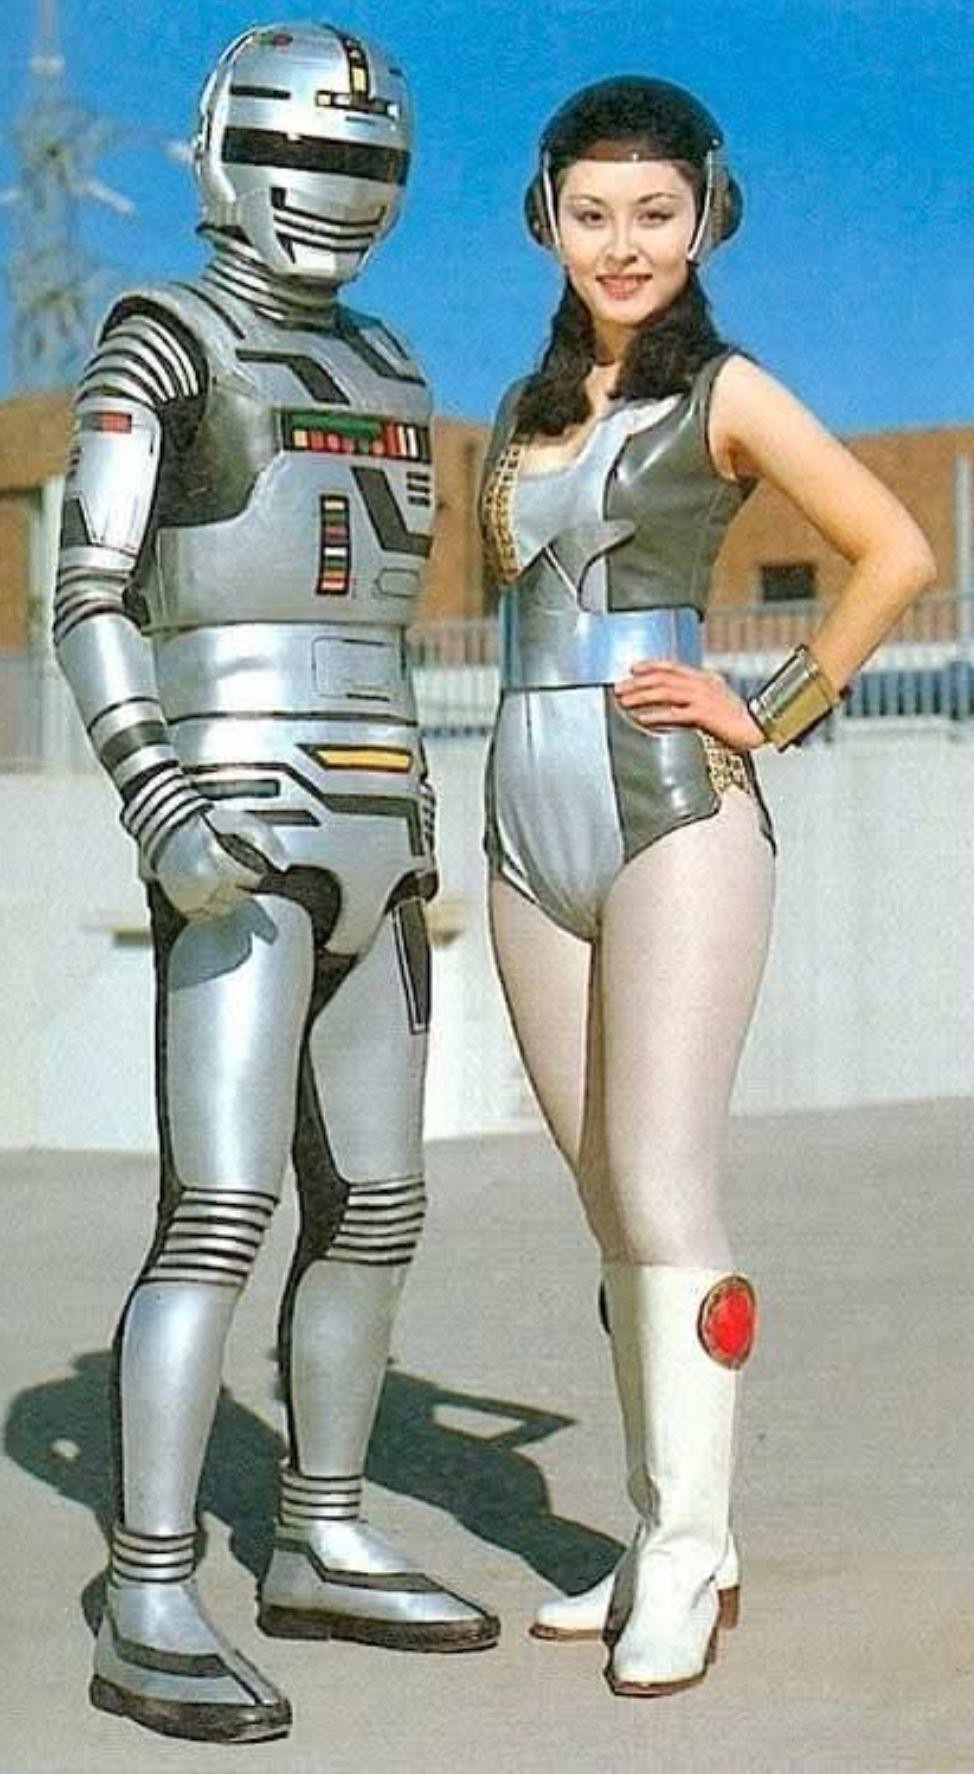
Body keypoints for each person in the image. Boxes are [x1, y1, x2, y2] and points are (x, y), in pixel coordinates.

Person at [54, 22, 497, 1747]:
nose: (336, 192)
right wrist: (156, 791)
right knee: (222, 1210)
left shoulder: (390, 360)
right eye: (307, 155)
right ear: (223, 152)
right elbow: (91, 589)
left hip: (383, 816)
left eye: (367, 162)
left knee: (377, 1205)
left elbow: (385, 607)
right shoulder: (162, 335)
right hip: (235, 814)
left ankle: (319, 1525)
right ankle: (151, 1586)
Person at [479, 76, 934, 1699]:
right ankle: (672, 1525)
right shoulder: (523, 403)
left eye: (654, 214)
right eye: (591, 212)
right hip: (521, 817)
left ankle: (681, 1555)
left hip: (674, 808)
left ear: (704, 220)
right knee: (606, 1193)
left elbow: (895, 549)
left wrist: (773, 704)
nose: (622, 244)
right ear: (546, 217)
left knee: (667, 1191)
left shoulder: (726, 390)